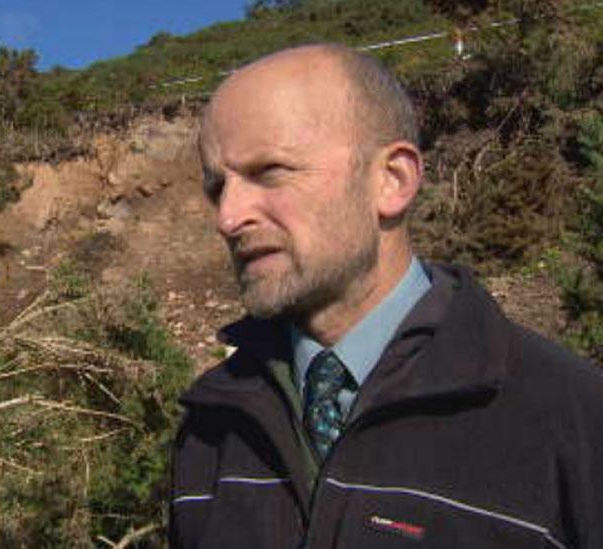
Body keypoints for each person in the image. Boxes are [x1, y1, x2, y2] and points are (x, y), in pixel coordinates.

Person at [170, 43, 603, 548]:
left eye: (270, 172)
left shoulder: (570, 416)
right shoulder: (211, 423)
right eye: (216, 187)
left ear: (392, 181)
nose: (228, 216)